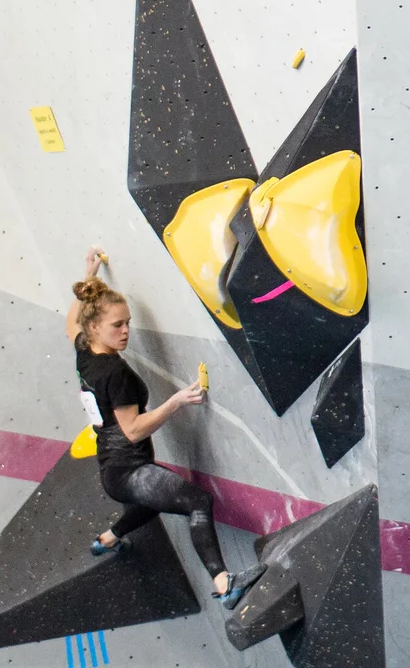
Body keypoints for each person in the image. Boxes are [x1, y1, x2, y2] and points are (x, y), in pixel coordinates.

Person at [67, 247, 263, 608]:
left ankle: (107, 539)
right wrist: (175, 401)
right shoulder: (115, 373)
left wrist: (90, 278)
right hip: (129, 470)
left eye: (127, 322)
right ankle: (224, 584)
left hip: (112, 471)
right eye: (117, 325)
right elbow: (133, 431)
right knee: (196, 502)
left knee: (154, 501)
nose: (126, 331)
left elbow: (71, 324)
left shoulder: (85, 350)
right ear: (95, 327)